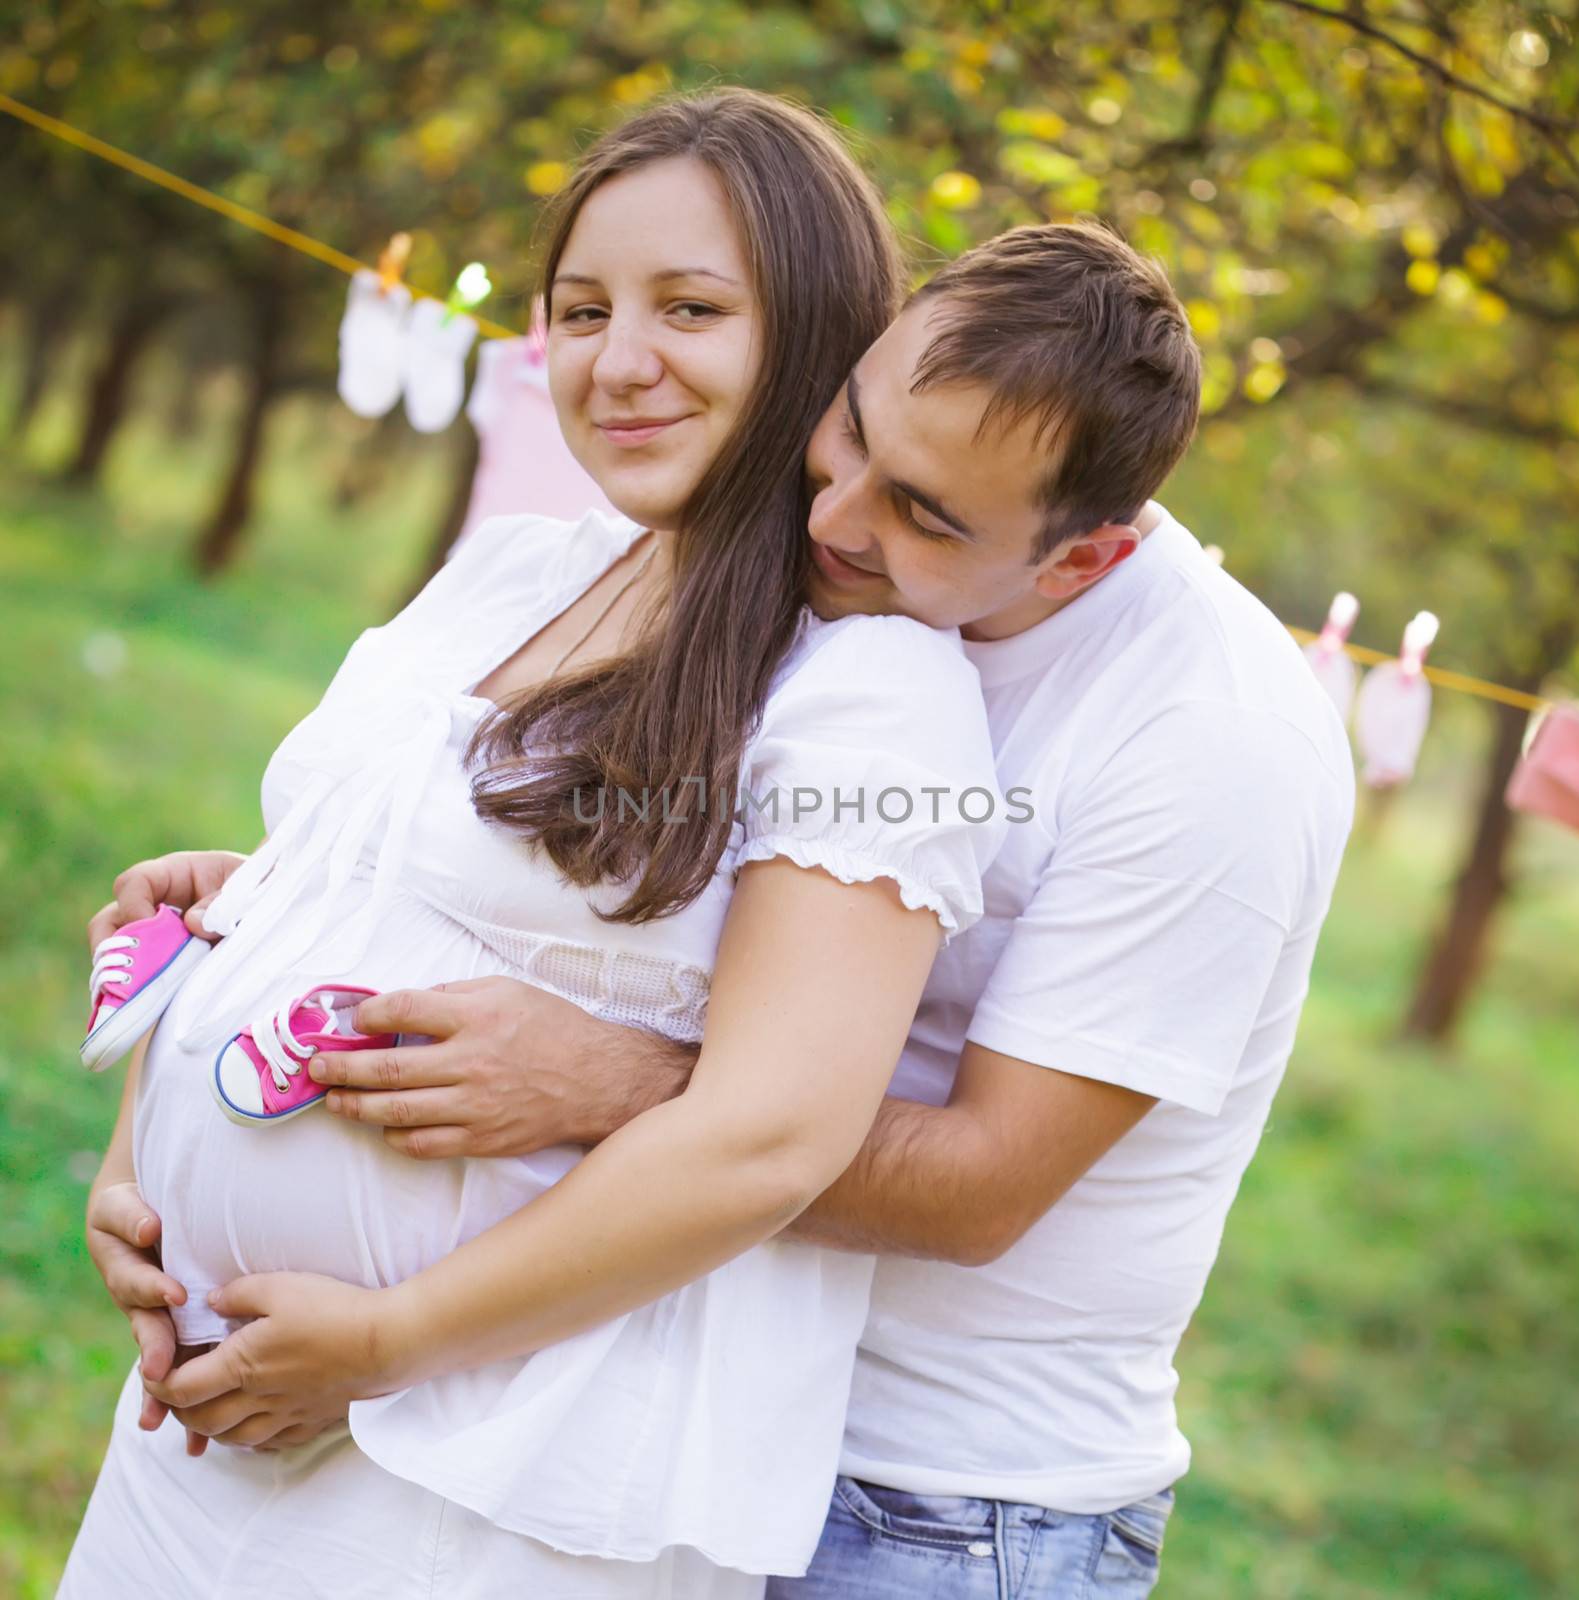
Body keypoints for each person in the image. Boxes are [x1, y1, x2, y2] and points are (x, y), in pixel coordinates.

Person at [142, 222, 1356, 1597]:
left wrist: (618, 1084)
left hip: (935, 1503)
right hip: (680, 1385)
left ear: (1081, 563)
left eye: (926, 516)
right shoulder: (819, 586)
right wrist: (310, 910)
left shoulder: (1214, 740)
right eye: (850, 435)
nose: (838, 518)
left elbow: (982, 1188)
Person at [61, 89, 1006, 1598]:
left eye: (690, 309)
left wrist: (383, 1344)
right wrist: (140, 1179)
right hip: (209, 1421)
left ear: (823, 337)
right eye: (580, 310)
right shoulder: (516, 569)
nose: (617, 363)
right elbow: (299, 888)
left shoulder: (868, 692)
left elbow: (774, 1134)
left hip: (473, 1483)